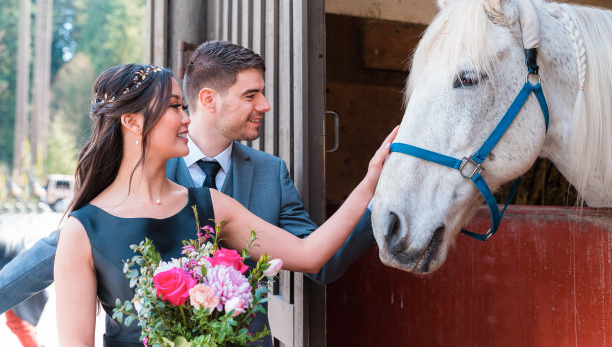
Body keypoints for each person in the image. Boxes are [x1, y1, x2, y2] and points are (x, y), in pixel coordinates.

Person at [0, 42, 378, 322]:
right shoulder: (136, 175)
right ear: (209, 99)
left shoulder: (271, 173)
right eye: (251, 94)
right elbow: (56, 251)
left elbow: (317, 260)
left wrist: (380, 193)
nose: (264, 105)